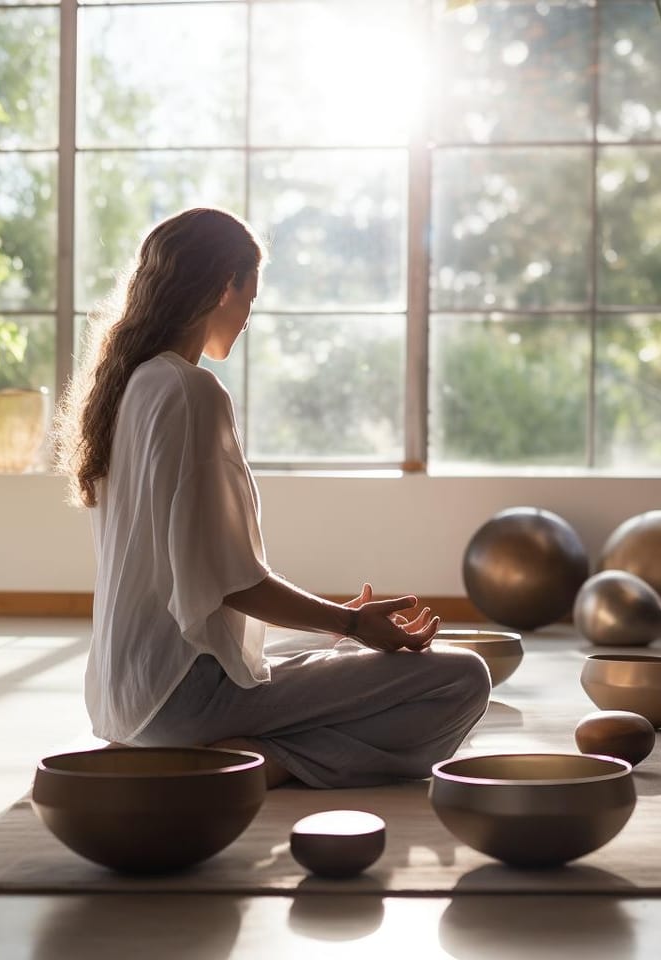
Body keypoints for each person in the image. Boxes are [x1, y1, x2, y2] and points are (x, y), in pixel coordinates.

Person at [56, 207, 491, 789]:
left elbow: (198, 586)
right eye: (250, 298)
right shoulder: (191, 392)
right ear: (224, 285)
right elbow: (232, 583)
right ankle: (262, 761)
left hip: (124, 700)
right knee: (463, 679)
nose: (248, 319)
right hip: (180, 701)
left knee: (336, 656)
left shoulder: (128, 389)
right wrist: (351, 622)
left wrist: (334, 629)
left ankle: (224, 750)